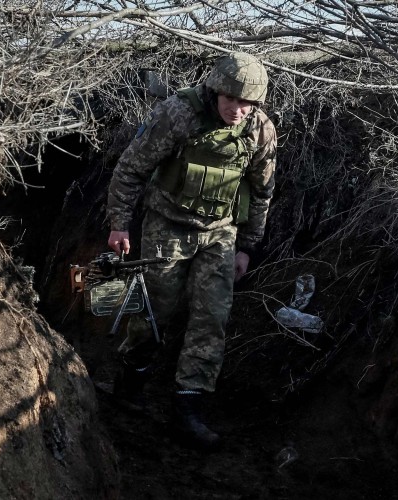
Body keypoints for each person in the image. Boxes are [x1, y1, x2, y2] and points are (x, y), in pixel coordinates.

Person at [105, 52, 277, 450]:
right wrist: (119, 224)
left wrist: (247, 247)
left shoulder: (260, 131)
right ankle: (130, 381)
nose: (238, 109)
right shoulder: (177, 114)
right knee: (153, 312)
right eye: (231, 99)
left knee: (211, 319)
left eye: (248, 103)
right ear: (215, 90)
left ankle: (189, 407)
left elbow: (263, 191)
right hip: (167, 226)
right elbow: (131, 168)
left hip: (220, 234)